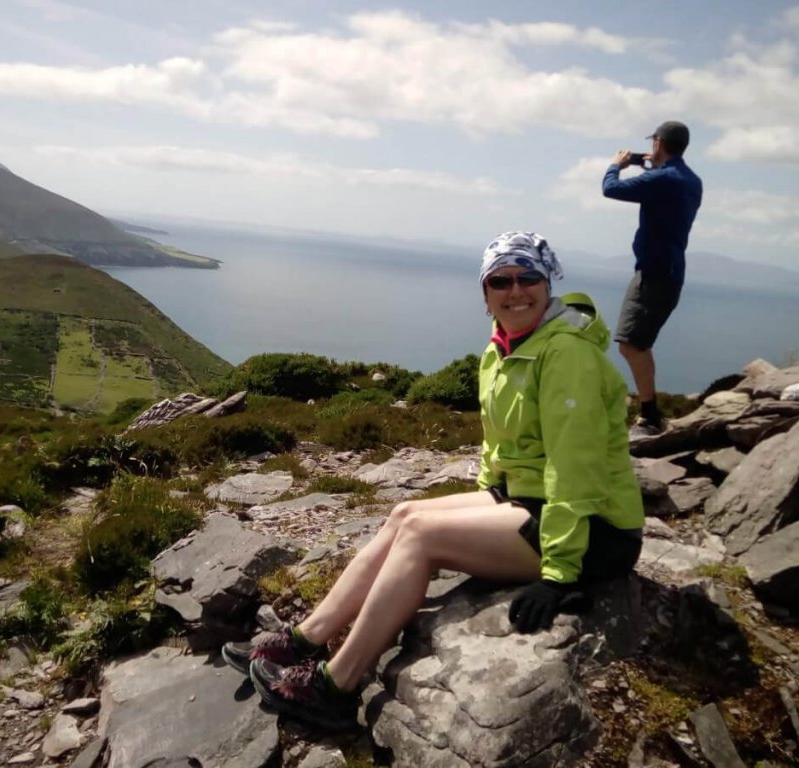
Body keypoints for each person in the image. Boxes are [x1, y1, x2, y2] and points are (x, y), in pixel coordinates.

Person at [221, 231, 645, 730]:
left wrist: (558, 576)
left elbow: (576, 469)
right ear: (485, 293)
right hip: (533, 500)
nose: (516, 290)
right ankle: (306, 639)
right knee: (404, 514)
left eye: (528, 277)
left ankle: (336, 685)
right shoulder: (506, 347)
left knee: (422, 537)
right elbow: (505, 444)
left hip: (595, 529)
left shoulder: (565, 354)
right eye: (500, 280)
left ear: (548, 283)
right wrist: (492, 490)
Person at [602, 120, 703, 438]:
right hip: (668, 272)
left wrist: (616, 165)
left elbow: (611, 189)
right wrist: (644, 159)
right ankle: (650, 414)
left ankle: (650, 418)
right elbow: (659, 172)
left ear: (658, 142)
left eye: (654, 143)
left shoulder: (664, 180)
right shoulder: (690, 180)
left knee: (632, 344)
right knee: (637, 343)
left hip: (655, 274)